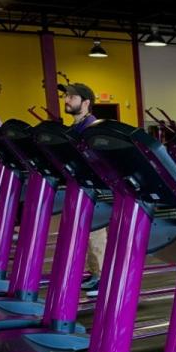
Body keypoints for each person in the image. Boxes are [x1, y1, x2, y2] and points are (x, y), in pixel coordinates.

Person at [59, 83, 102, 294]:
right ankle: (95, 274)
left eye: (72, 97)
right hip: (78, 184)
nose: (66, 100)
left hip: (92, 186)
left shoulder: (90, 127)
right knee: (85, 232)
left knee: (95, 233)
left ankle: (102, 278)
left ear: (85, 103)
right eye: (66, 96)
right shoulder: (75, 127)